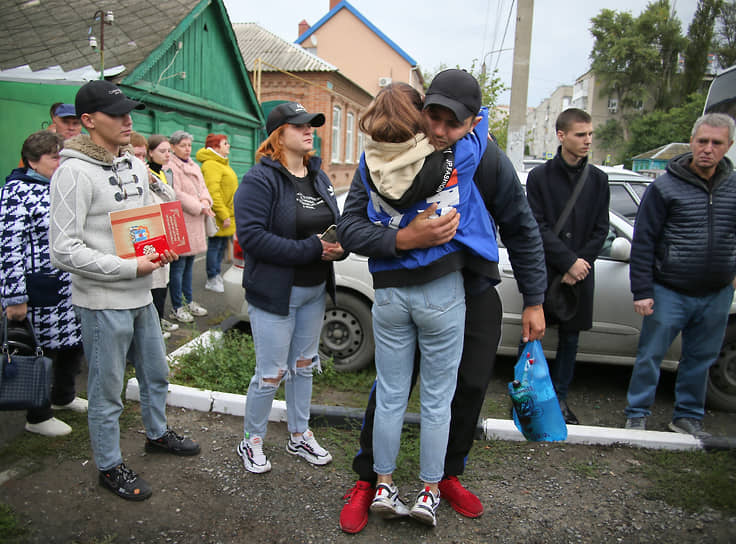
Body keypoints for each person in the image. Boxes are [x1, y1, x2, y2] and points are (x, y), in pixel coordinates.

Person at [337, 69, 546, 533]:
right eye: (430, 117)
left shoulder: (484, 156)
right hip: (410, 285)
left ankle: (446, 476)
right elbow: (350, 226)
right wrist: (404, 239)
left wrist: (534, 298)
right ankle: (370, 479)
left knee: (467, 388)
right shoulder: (387, 155)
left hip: (472, 287)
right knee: (389, 391)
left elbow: (520, 223)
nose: (436, 130)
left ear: (471, 123)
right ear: (420, 110)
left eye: (451, 123)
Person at [350, 82, 497, 528]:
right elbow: (477, 130)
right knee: (438, 400)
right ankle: (430, 491)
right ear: (419, 119)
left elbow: (352, 223)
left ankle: (384, 484)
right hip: (440, 289)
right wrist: (478, 116)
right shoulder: (457, 158)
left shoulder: (369, 163)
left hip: (390, 291)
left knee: (391, 396)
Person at [49, 80, 200, 501]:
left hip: (142, 292)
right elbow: (63, 250)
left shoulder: (132, 164)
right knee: (106, 388)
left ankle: (156, 433)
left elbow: (145, 220)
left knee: (156, 373)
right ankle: (109, 464)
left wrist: (159, 245)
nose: (127, 119)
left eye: (129, 111)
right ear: (88, 121)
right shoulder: (72, 173)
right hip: (102, 301)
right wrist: (128, 266)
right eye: (116, 114)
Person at [233, 102, 344, 475]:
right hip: (274, 295)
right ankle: (251, 439)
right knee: (271, 372)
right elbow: (251, 238)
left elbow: (332, 225)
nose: (309, 130)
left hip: (313, 291)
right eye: (299, 125)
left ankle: (299, 434)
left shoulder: (319, 175)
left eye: (311, 124)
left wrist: (337, 246)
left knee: (304, 367)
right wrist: (312, 247)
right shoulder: (259, 180)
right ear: (278, 135)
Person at [624, 113, 736, 438]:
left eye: (716, 143)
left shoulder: (733, 188)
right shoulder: (664, 187)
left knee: (701, 359)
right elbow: (644, 240)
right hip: (668, 289)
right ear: (691, 142)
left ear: (727, 146)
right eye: (702, 141)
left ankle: (687, 416)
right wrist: (642, 290)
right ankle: (637, 414)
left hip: (716, 292)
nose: (708, 149)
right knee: (650, 357)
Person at [525, 108, 610, 425]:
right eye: (580, 134)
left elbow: (602, 229)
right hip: (545, 270)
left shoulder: (599, 180)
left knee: (570, 339)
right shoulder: (539, 177)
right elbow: (536, 226)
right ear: (561, 136)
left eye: (590, 134)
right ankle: (530, 396)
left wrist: (581, 264)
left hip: (580, 275)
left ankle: (560, 399)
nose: (587, 140)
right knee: (533, 334)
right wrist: (567, 261)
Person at [0, 131, 87, 437]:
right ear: (33, 161)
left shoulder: (59, 187)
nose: (60, 162)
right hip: (39, 286)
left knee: (72, 347)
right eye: (54, 156)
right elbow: (7, 246)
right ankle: (37, 416)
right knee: (42, 351)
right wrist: (14, 296)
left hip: (68, 285)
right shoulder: (15, 192)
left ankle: (63, 397)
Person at [166, 130, 213, 322]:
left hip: (195, 221)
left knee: (189, 266)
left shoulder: (193, 165)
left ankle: (188, 301)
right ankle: (178, 306)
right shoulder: (170, 167)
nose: (187, 149)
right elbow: (175, 192)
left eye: (189, 145)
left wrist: (205, 201)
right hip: (181, 221)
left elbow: (203, 188)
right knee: (178, 267)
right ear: (173, 146)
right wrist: (199, 205)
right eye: (183, 145)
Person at [145, 134, 179, 340]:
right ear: (150, 153)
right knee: (154, 281)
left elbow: (171, 197)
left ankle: (158, 318)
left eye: (169, 151)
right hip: (151, 232)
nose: (167, 155)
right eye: (162, 151)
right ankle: (152, 325)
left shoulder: (164, 173)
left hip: (167, 229)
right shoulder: (145, 173)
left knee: (163, 278)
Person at [195, 134, 237, 293]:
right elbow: (213, 193)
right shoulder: (212, 164)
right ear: (216, 146)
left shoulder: (222, 163)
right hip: (220, 215)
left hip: (228, 214)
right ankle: (212, 278)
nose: (228, 146)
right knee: (215, 246)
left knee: (220, 247)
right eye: (225, 143)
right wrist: (223, 214)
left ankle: (216, 275)